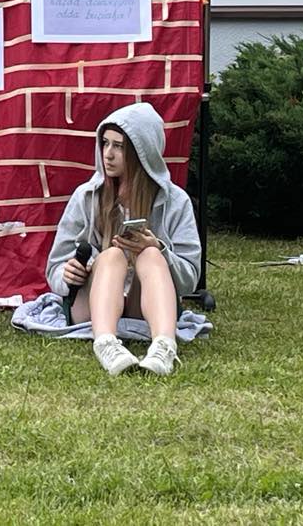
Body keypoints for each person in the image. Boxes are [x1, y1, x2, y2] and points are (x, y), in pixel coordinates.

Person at [46, 102, 201, 376]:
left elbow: (189, 280)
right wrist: (69, 274)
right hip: (90, 305)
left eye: (119, 146)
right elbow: (55, 269)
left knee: (150, 254)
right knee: (112, 255)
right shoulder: (86, 196)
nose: (108, 154)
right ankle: (106, 343)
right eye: (105, 143)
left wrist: (160, 250)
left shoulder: (176, 201)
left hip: (147, 306)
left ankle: (164, 346)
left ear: (143, 151)